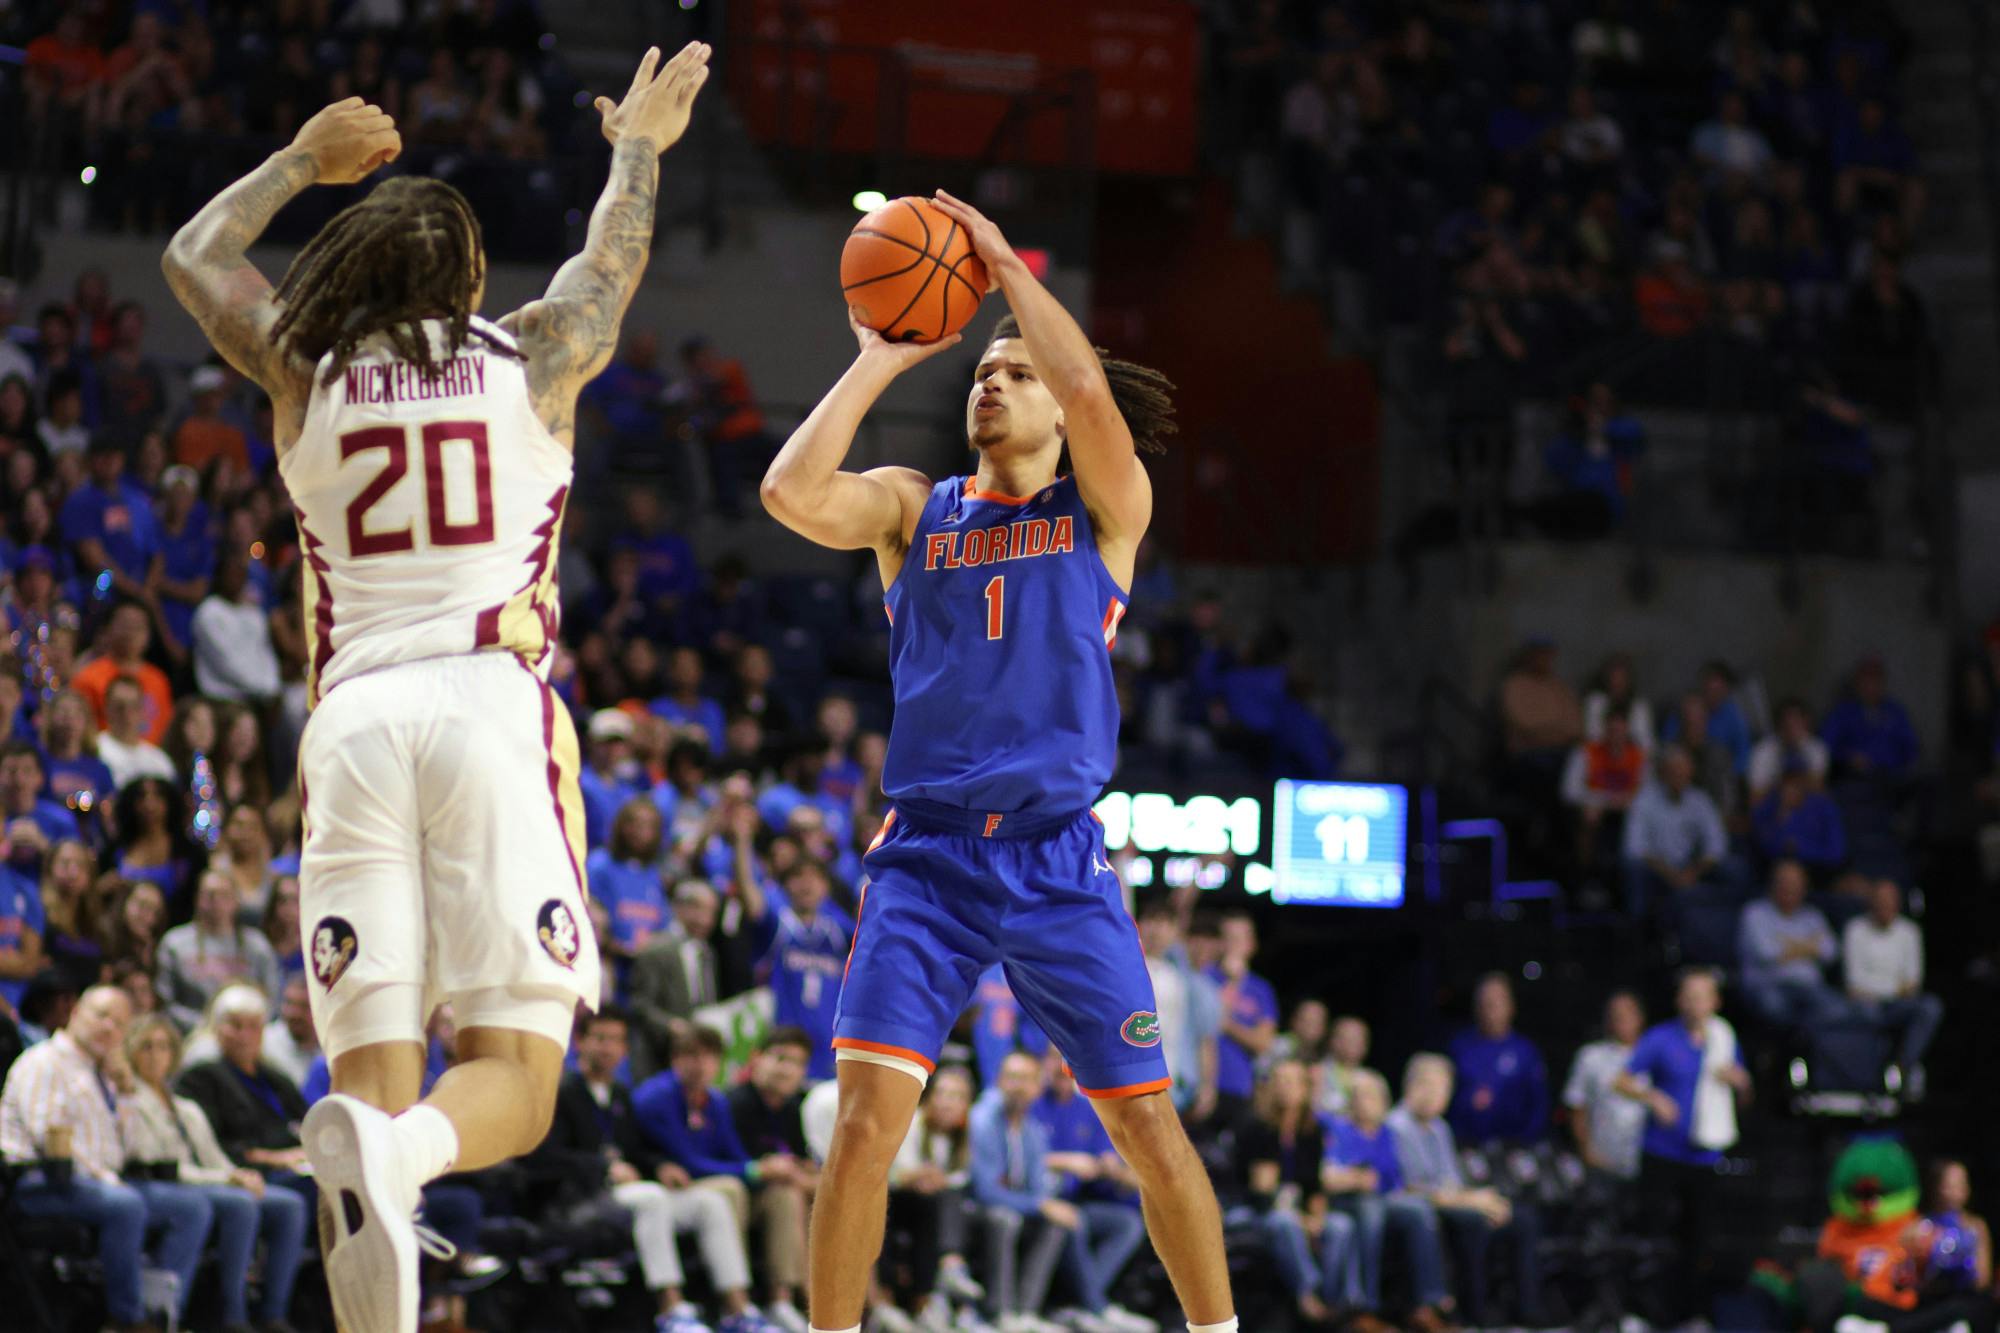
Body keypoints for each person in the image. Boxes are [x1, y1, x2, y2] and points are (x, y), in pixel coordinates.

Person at [160, 48, 715, 1333]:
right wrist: (636, 145)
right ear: (466, 277)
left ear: (355, 268)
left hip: (350, 722)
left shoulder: (301, 366)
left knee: (366, 1093)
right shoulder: (534, 355)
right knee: (514, 1087)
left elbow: (193, 256)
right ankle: (407, 1163)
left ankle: (388, 1220)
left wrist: (301, 159)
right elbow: (609, 262)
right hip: (483, 701)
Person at [762, 188, 1234, 1333]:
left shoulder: (1103, 510)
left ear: (1063, 415)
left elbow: (1084, 384)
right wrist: (880, 356)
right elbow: (787, 492)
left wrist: (1002, 271)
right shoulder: (912, 510)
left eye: (1013, 372)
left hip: (1056, 857)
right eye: (980, 369)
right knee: (865, 1118)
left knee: (1143, 1123)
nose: (990, 379)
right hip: (925, 859)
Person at [0, 985, 215, 1333]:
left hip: (99, 1181)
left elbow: (126, 1149)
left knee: (191, 1208)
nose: (108, 1028)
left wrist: (127, 1093)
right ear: (75, 1011)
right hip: (38, 1181)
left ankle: (159, 1313)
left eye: (118, 1023)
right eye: (100, 1015)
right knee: (125, 1205)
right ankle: (126, 1320)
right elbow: (49, 1137)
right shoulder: (44, 1062)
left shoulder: (102, 1072)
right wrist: (104, 1176)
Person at [532, 1007, 760, 1333]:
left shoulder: (622, 1094)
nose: (608, 1048)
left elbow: (637, 1152)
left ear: (625, 1050)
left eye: (616, 1041)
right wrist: (605, 1168)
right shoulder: (560, 1092)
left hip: (626, 1196)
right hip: (578, 1200)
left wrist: (661, 1165)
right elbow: (543, 1156)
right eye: (600, 1038)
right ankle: (672, 1307)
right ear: (579, 1041)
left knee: (710, 1203)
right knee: (652, 1197)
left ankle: (738, 1310)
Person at [121, 1013, 309, 1333]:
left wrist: (239, 1175)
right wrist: (227, 1179)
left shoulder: (185, 1106)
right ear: (131, 1053)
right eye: (146, 1048)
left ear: (174, 1054)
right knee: (240, 1204)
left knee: (289, 1204)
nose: (156, 1056)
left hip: (206, 1180)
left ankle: (273, 1313)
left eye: (164, 1047)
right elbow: (161, 1165)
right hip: (170, 1183)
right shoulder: (130, 1101)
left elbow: (213, 1158)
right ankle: (232, 1315)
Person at [1616, 969, 1749, 1327]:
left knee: (1699, 1241)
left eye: (1702, 996)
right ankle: (1642, 1313)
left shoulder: (1724, 1038)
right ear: (1679, 1000)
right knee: (1653, 1237)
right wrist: (1653, 1096)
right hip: (1662, 1153)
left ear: (1715, 1002)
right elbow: (1623, 1080)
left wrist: (1739, 1081)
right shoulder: (1661, 1038)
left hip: (1704, 1156)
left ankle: (1690, 1315)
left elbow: (1744, 1091)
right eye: (1688, 995)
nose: (1695, 1003)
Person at [1390, 1053, 1547, 1327]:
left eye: (1446, 1089)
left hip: (1449, 1200)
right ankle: (1474, 1312)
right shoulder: (1397, 1126)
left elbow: (1453, 1180)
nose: (1443, 1097)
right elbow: (1414, 1186)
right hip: (1417, 1207)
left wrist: (1480, 1199)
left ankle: (1527, 1309)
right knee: (1474, 1222)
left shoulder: (1440, 1127)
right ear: (1415, 1087)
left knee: (1523, 1219)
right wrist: (1473, 1202)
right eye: (1438, 1088)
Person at [1031, 1051, 1158, 1333]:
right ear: (1043, 1064)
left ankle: (1081, 1305)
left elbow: (1107, 1161)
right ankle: (1095, 1307)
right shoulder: (1033, 1105)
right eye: (1054, 1059)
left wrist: (1113, 1170)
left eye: (1067, 1059)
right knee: (1072, 1222)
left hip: (1081, 1200)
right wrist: (1065, 1161)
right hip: (1041, 1198)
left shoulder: (1088, 1108)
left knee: (1127, 1223)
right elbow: (1021, 1156)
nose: (1061, 1068)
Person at [1238, 1058, 1365, 1330]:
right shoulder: (1258, 1128)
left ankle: (1335, 1302)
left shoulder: (1312, 1131)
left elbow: (1314, 1188)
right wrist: (1300, 1218)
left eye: (1293, 1081)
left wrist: (1316, 1218)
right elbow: (1263, 1195)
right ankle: (1307, 1293)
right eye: (1280, 1081)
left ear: (1306, 1088)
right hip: (1257, 1210)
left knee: (1340, 1225)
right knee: (1284, 1223)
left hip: (1298, 1209)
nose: (1286, 1087)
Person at [1323, 1067, 1454, 1331]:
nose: (1364, 1102)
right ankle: (1365, 1308)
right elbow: (1328, 1176)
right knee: (1371, 1210)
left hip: (1386, 1199)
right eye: (1358, 1096)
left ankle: (1427, 1303)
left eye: (1371, 1096)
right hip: (1350, 1202)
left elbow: (1399, 1182)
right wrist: (1358, 1179)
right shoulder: (1339, 1129)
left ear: (1383, 1101)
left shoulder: (1386, 1133)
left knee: (1418, 1210)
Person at [968, 1051, 1077, 1331]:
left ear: (1038, 1087)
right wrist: (1038, 1204)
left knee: (1056, 1224)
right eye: (1012, 1078)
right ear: (999, 1082)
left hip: (1012, 1205)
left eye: (1027, 1079)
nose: (1019, 1086)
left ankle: (1026, 1311)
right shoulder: (982, 1121)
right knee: (1006, 1218)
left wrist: (1041, 1204)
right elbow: (985, 1190)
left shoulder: (1033, 1131)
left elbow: (1038, 1186)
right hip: (971, 1208)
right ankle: (1000, 1311)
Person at [743, 856, 852, 1082]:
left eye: (815, 877)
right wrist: (741, 841)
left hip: (827, 1050)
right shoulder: (778, 925)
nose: (807, 884)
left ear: (826, 887)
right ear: (785, 885)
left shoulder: (838, 931)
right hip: (781, 1049)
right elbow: (753, 904)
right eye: (798, 877)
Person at [1843, 879, 1944, 1092]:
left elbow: (1912, 983)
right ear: (1871, 903)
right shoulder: (1855, 929)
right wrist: (1891, 988)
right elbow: (1854, 984)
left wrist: (1880, 990)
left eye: (1890, 902)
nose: (1885, 907)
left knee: (1930, 1006)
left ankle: (1903, 1066)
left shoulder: (1910, 932)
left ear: (1898, 904)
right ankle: (1870, 1080)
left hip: (1898, 1004)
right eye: (1880, 902)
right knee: (1866, 1012)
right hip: (1866, 1006)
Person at [157, 870, 284, 1032]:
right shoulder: (174, 943)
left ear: (236, 901)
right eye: (209, 895)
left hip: (249, 1034)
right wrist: (210, 1027)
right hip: (192, 1032)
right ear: (198, 899)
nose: (216, 902)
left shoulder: (257, 946)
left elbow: (272, 1001)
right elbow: (166, 1003)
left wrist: (245, 1029)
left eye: (224, 895)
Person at [1622, 743, 1731, 920]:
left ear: (1691, 772)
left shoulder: (1700, 801)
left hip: (1690, 869)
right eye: (1673, 770)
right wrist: (1670, 874)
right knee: (1633, 868)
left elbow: (1717, 845)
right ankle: (1637, 932)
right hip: (1656, 871)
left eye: (1683, 770)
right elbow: (1634, 848)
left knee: (1734, 870)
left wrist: (1693, 872)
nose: (1678, 775)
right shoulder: (1645, 800)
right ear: (1663, 773)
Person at [629, 878, 724, 1080]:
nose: (705, 919)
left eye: (711, 912)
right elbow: (640, 1005)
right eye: (698, 909)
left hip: (693, 1057)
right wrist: (671, 1025)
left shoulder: (708, 953)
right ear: (679, 908)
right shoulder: (656, 949)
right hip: (658, 1056)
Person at [1737, 859, 1849, 1030]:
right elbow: (1767, 953)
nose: (1790, 888)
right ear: (1773, 884)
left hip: (1809, 987)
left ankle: (1807, 1051)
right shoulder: (1755, 913)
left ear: (1805, 887)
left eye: (1796, 883)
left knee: (1839, 1010)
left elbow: (1831, 953)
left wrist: (1788, 946)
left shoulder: (1812, 917)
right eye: (1785, 882)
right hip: (1768, 986)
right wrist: (1810, 946)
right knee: (1775, 1009)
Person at [1446, 972, 1550, 1146]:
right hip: (1465, 1144)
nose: (1490, 1008)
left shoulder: (1525, 1051)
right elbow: (1445, 1097)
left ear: (1511, 1006)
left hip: (1513, 1147)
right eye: (1484, 1002)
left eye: (1496, 1002)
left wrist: (1526, 1141)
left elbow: (1539, 1105)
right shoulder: (1459, 1047)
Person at [1561, 991, 1648, 1181]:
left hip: (1646, 1162)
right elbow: (1576, 1105)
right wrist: (1586, 1152)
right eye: (1615, 1013)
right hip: (1601, 1161)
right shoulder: (1590, 1056)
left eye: (1628, 1012)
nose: (1622, 1018)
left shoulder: (1656, 1056)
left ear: (1640, 1017)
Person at [1205, 911, 1277, 1124]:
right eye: (1226, 938)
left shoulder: (1260, 989)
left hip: (1238, 1087)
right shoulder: (1203, 976)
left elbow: (1263, 1042)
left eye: (1238, 939)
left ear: (1251, 944)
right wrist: (1231, 983)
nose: (1231, 946)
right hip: (1202, 1084)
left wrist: (1225, 1023)